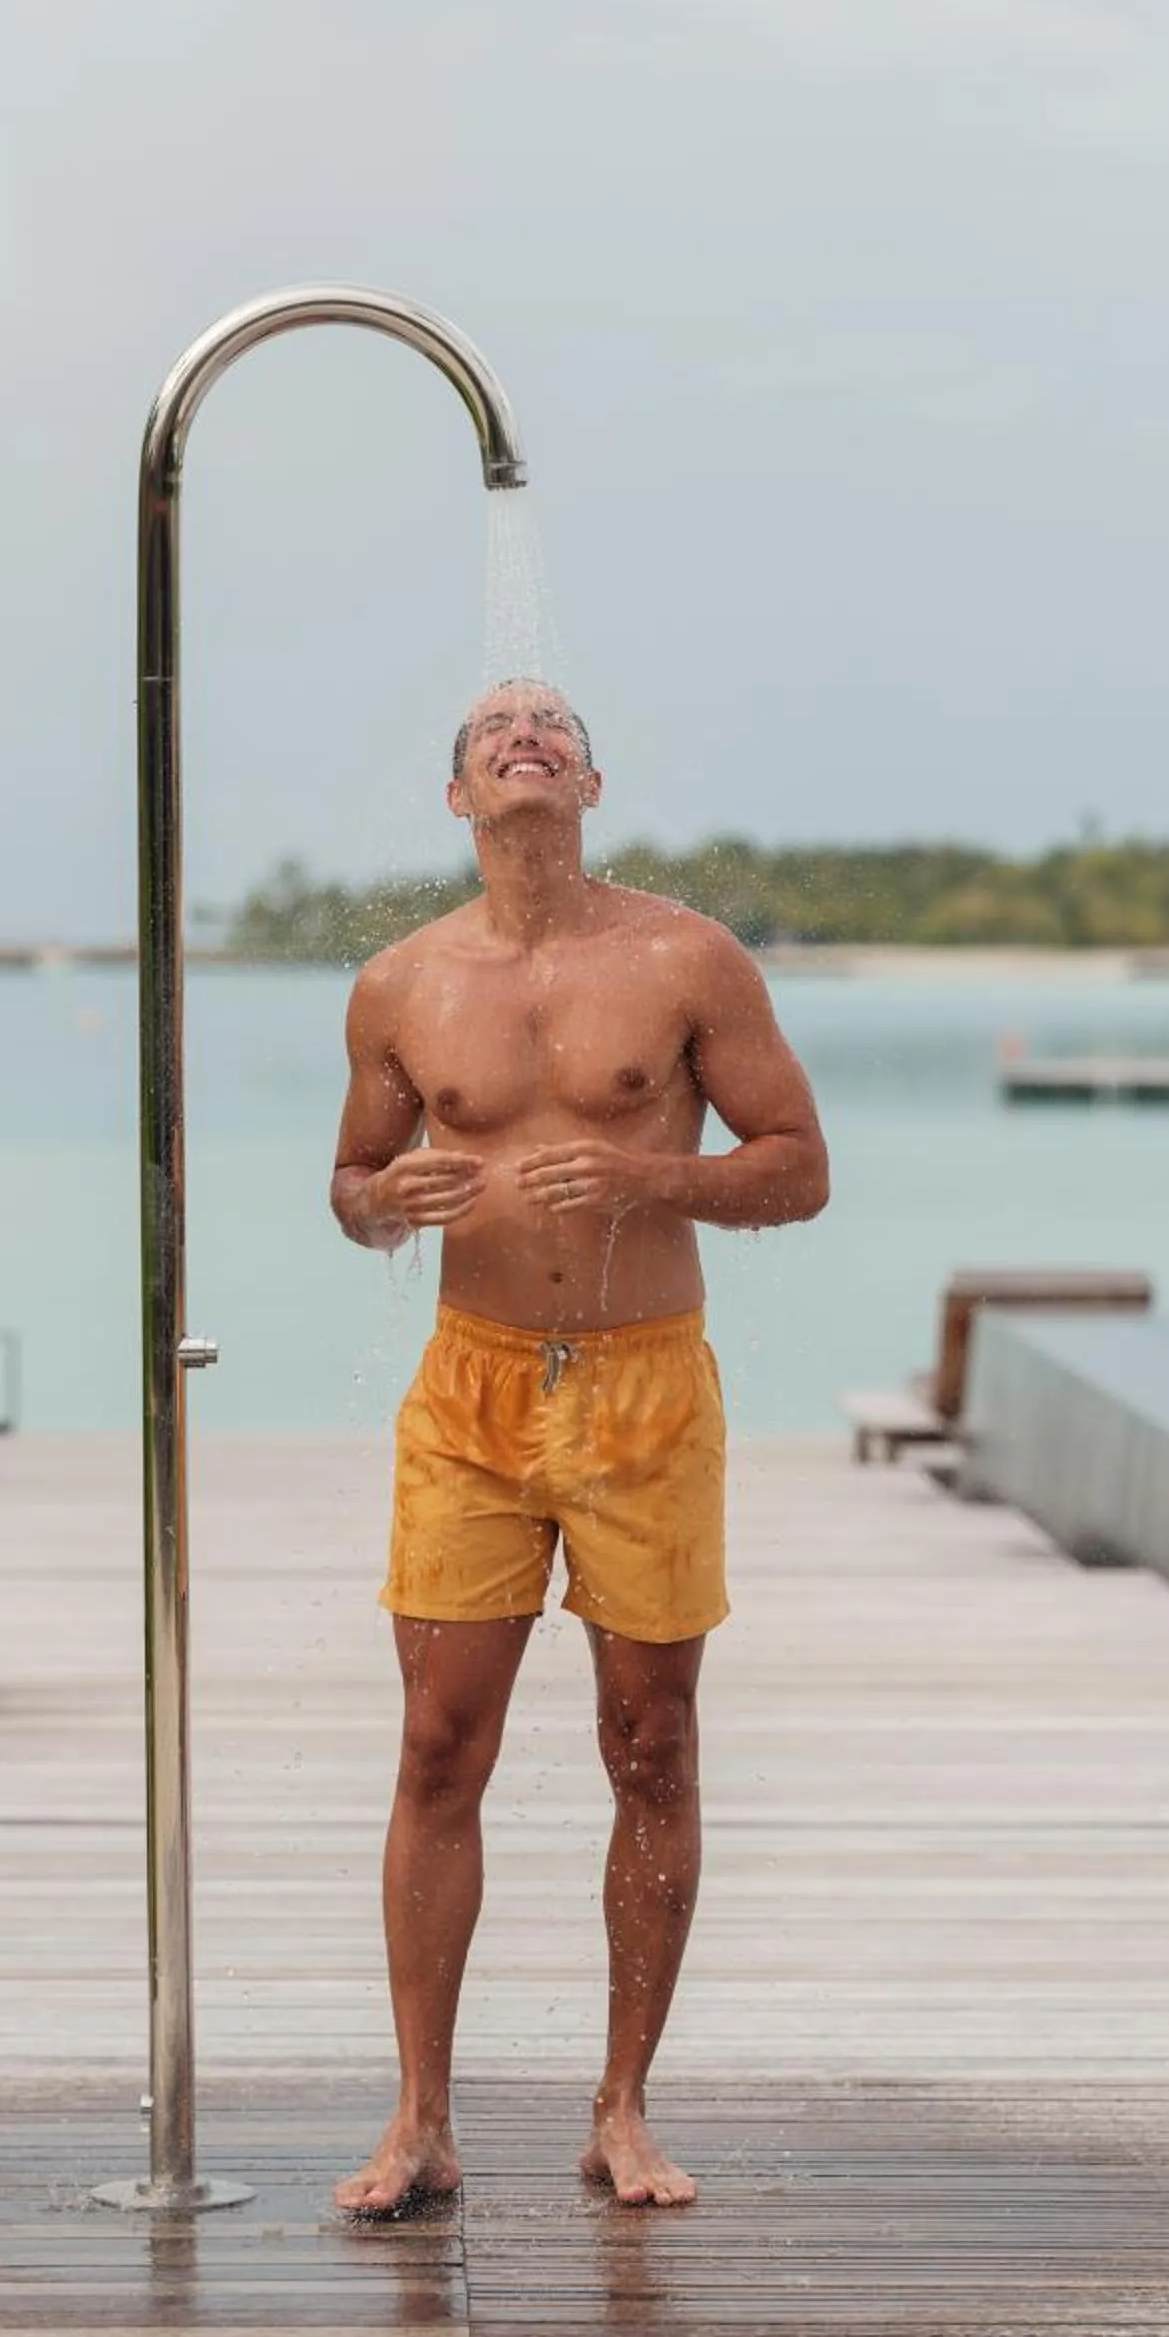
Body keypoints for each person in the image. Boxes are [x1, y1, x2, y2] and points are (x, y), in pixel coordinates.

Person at [329, 679, 829, 2214]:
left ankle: (622, 2110)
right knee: (434, 1746)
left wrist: (641, 1178)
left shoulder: (685, 957)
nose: (522, 733)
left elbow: (797, 1170)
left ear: (592, 784)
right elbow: (350, 1180)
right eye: (494, 731)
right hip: (469, 1395)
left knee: (650, 1743)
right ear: (458, 801)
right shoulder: (400, 985)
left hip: (642, 1390)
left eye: (550, 725)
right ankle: (418, 2120)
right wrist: (377, 1205)